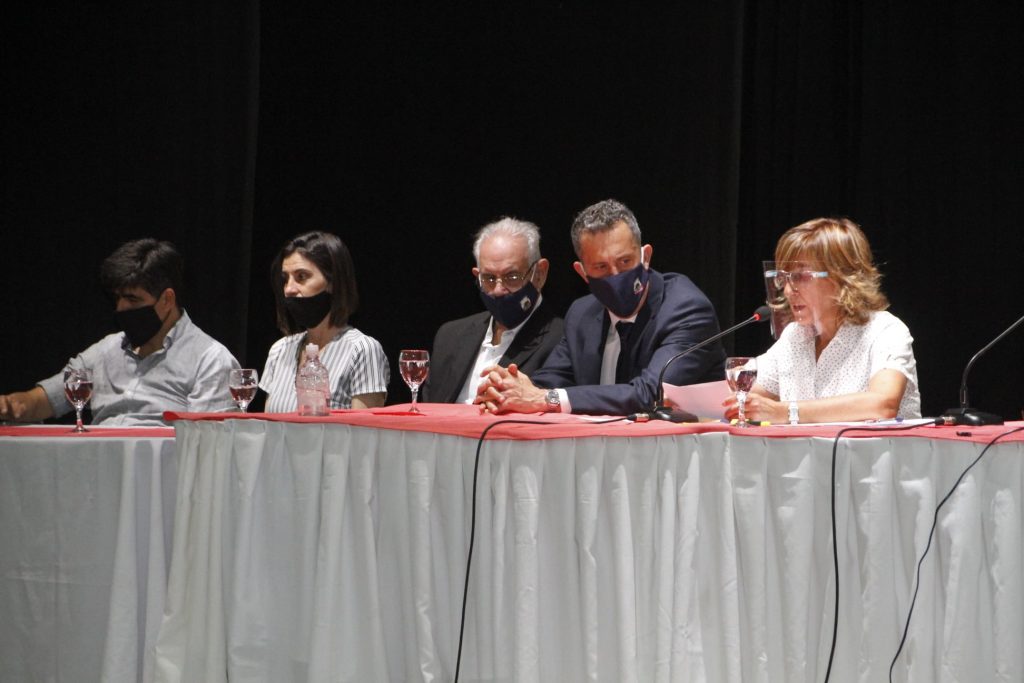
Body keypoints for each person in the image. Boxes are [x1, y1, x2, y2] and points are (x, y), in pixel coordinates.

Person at [476, 198, 725, 415]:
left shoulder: (686, 310)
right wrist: (507, 388)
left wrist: (546, 399)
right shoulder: (582, 314)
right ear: (583, 273)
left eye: (625, 261)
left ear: (645, 257)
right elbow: (549, 381)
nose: (615, 275)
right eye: (601, 267)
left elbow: (651, 394)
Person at [0, 238, 239, 425]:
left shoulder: (210, 361)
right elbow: (41, 401)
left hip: (160, 471)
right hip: (99, 466)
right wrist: (12, 404)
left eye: (132, 299)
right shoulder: (105, 351)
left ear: (167, 299)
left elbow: (206, 447)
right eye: (118, 298)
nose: (121, 308)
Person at [724, 217, 921, 423]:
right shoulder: (795, 335)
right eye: (784, 278)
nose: (789, 290)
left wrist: (784, 412)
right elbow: (739, 396)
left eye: (800, 276)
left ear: (841, 277)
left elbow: (882, 404)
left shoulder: (885, 330)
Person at [422, 217, 564, 404]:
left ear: (539, 273)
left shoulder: (564, 340)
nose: (498, 290)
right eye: (489, 278)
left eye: (512, 277)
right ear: (477, 276)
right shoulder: (449, 337)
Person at [260, 231, 389, 411]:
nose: (288, 289)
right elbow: (268, 423)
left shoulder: (361, 350)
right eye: (285, 279)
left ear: (333, 282)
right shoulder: (279, 350)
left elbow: (365, 428)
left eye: (301, 276)